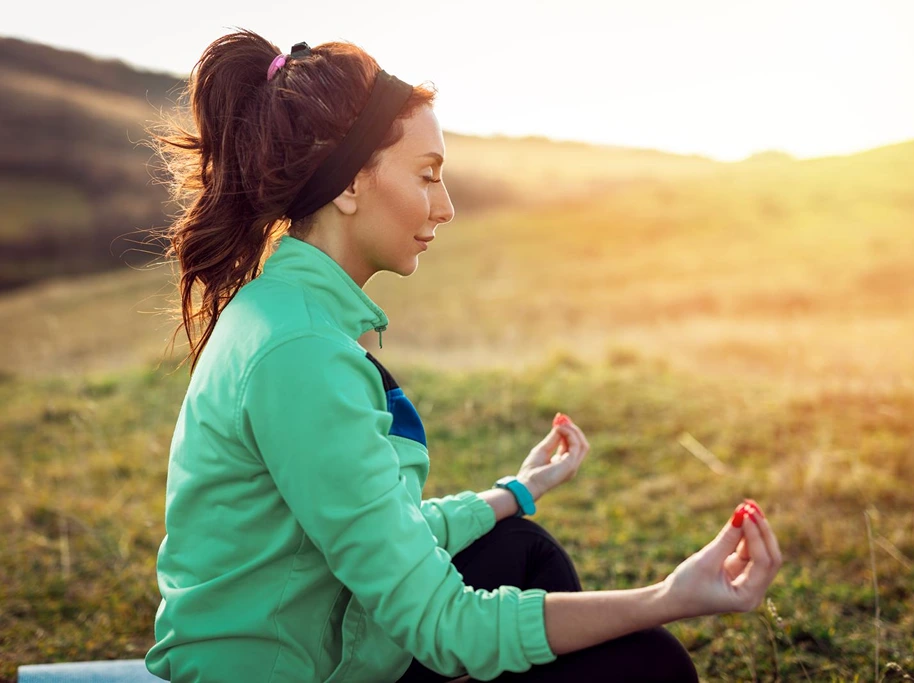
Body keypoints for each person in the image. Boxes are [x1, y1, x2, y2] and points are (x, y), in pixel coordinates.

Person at [143, 29, 784, 683]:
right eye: (427, 176)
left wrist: (515, 491)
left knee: (518, 545)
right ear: (349, 185)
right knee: (647, 664)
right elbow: (448, 627)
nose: (445, 208)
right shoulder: (302, 351)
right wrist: (668, 598)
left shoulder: (289, 313)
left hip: (322, 641)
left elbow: (381, 530)